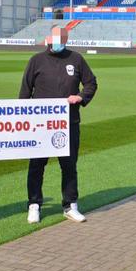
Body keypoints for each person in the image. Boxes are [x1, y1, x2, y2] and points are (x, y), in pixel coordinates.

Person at [20, 26, 97, 224]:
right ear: (47, 39)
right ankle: (34, 204)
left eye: (62, 39)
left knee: (69, 166)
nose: (58, 42)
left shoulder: (76, 59)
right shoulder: (36, 60)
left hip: (69, 123)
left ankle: (70, 205)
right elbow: (25, 93)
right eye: (55, 38)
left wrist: (80, 96)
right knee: (36, 165)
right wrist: (22, 120)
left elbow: (91, 83)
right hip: (40, 126)